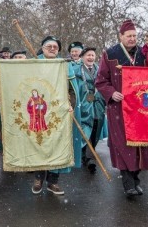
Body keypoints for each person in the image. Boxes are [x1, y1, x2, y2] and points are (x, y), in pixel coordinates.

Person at [96, 19, 148, 197]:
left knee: (141, 145)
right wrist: (111, 93)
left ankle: (136, 178)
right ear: (121, 37)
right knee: (124, 146)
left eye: (134, 36)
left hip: (141, 108)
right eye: (129, 36)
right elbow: (101, 80)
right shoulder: (110, 54)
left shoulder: (144, 54)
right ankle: (128, 182)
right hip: (119, 108)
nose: (132, 39)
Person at [32, 36, 82, 196]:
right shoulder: (33, 63)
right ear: (43, 47)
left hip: (59, 113)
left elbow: (72, 90)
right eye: (49, 46)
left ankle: (53, 181)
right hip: (39, 112)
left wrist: (70, 105)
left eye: (55, 47)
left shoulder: (65, 66)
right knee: (40, 145)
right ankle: (38, 178)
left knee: (57, 146)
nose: (52, 49)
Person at [75, 47, 107, 173]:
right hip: (84, 104)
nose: (90, 58)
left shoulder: (100, 70)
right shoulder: (76, 70)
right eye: (88, 55)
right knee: (85, 129)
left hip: (97, 103)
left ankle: (89, 153)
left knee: (96, 128)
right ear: (82, 57)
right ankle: (87, 156)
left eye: (93, 55)